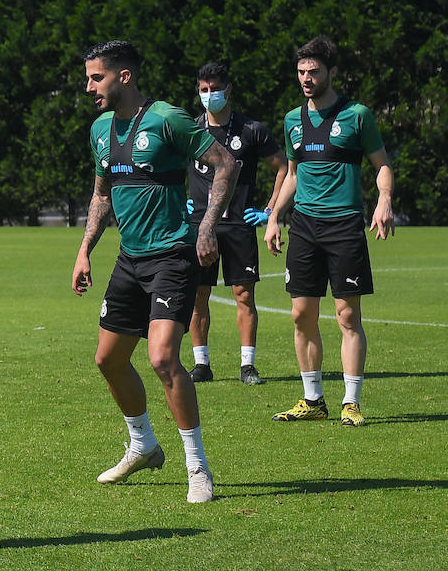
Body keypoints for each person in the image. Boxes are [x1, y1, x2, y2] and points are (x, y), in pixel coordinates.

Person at [71, 40, 237, 504]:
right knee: (108, 359)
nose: (89, 88)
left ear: (124, 76)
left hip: (173, 256)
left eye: (96, 77)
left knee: (163, 358)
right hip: (130, 258)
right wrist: (85, 249)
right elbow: (102, 194)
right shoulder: (101, 129)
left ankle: (198, 467)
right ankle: (143, 444)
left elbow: (227, 165)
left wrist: (206, 225)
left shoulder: (169, 119)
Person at [264, 36, 394, 427]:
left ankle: (350, 402)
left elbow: (382, 165)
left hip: (344, 226)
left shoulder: (357, 116)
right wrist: (273, 216)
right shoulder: (291, 120)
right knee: (301, 314)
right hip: (303, 226)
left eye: (314, 71)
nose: (306, 78)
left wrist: (384, 200)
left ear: (331, 72)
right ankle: (312, 399)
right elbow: (292, 174)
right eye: (301, 71)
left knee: (347, 316)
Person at [185, 62, 289, 385]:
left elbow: (284, 168)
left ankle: (247, 366)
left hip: (240, 224)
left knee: (244, 294)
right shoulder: (190, 129)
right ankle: (201, 364)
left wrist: (270, 210)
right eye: (203, 89)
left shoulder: (251, 130)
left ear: (228, 89)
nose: (209, 95)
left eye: (214, 88)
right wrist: (180, 200)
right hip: (200, 224)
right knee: (197, 294)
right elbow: (168, 168)